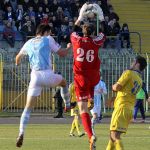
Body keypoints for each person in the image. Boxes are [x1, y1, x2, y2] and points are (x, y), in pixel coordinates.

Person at [15, 24, 76, 148]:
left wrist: (17, 64)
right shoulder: (48, 39)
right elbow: (62, 54)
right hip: (47, 74)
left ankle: (21, 132)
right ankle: (68, 105)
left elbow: (17, 58)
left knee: (27, 108)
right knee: (63, 82)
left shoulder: (29, 42)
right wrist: (69, 47)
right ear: (46, 32)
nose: (51, 34)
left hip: (34, 77)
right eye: (50, 32)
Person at [70, 3, 105, 150]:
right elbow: (105, 32)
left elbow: (72, 30)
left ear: (83, 31)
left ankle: (90, 135)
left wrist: (80, 17)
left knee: (82, 109)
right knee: (90, 92)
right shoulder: (96, 42)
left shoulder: (76, 40)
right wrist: (101, 17)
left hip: (81, 77)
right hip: (94, 76)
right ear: (92, 32)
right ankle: (90, 97)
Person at [106, 55, 147, 150]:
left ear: (137, 64)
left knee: (115, 136)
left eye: (133, 61)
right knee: (112, 138)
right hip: (129, 109)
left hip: (122, 106)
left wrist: (113, 86)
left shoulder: (128, 73)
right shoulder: (140, 80)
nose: (132, 63)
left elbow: (117, 87)